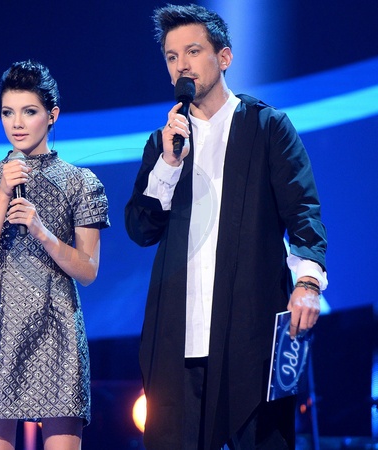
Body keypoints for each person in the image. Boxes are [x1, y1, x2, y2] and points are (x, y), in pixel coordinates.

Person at [125, 4, 328, 450]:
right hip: (178, 337)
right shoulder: (164, 143)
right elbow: (140, 228)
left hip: (250, 335)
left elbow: (303, 211)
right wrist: (169, 162)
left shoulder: (266, 126)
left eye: (193, 51)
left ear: (224, 57)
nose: (182, 64)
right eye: (172, 56)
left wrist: (308, 282)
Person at [0, 60, 109, 450]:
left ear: (52, 116)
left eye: (29, 111)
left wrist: (42, 232)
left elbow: (88, 270)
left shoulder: (81, 182)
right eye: (8, 112)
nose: (16, 123)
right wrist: (3, 192)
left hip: (56, 325)